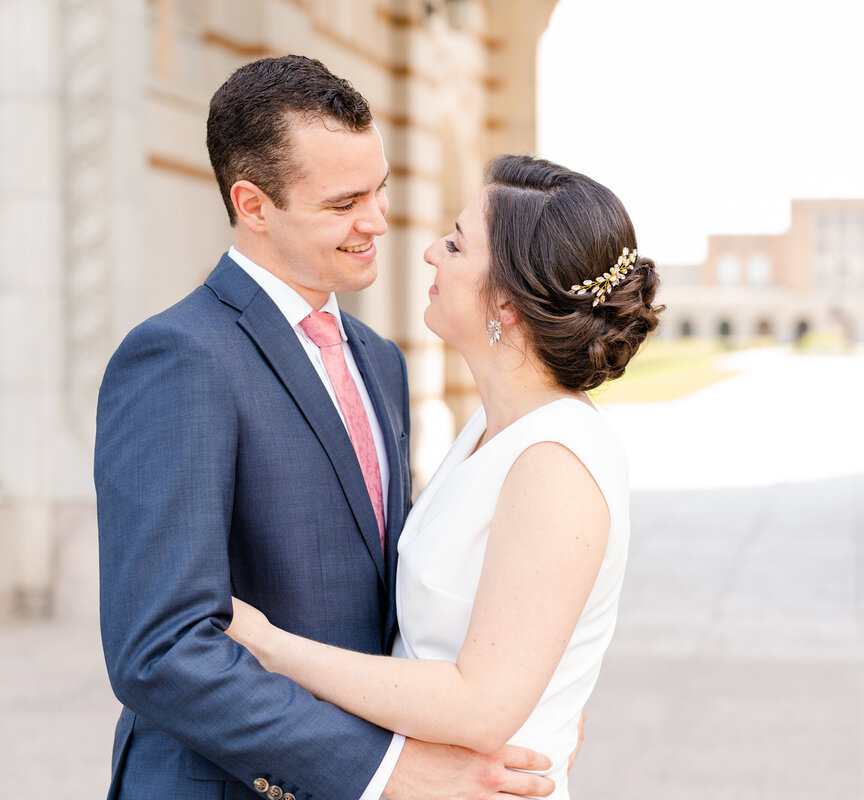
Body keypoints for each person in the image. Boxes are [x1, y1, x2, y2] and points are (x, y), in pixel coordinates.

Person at [95, 56, 556, 800]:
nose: (375, 222)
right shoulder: (178, 357)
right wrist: (387, 771)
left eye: (379, 190)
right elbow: (162, 650)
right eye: (343, 202)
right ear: (253, 204)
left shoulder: (380, 361)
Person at [224, 154, 663, 799]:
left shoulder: (555, 463)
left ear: (507, 302)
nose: (430, 252)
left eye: (456, 245)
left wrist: (271, 647)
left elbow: (480, 705)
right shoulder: (492, 429)